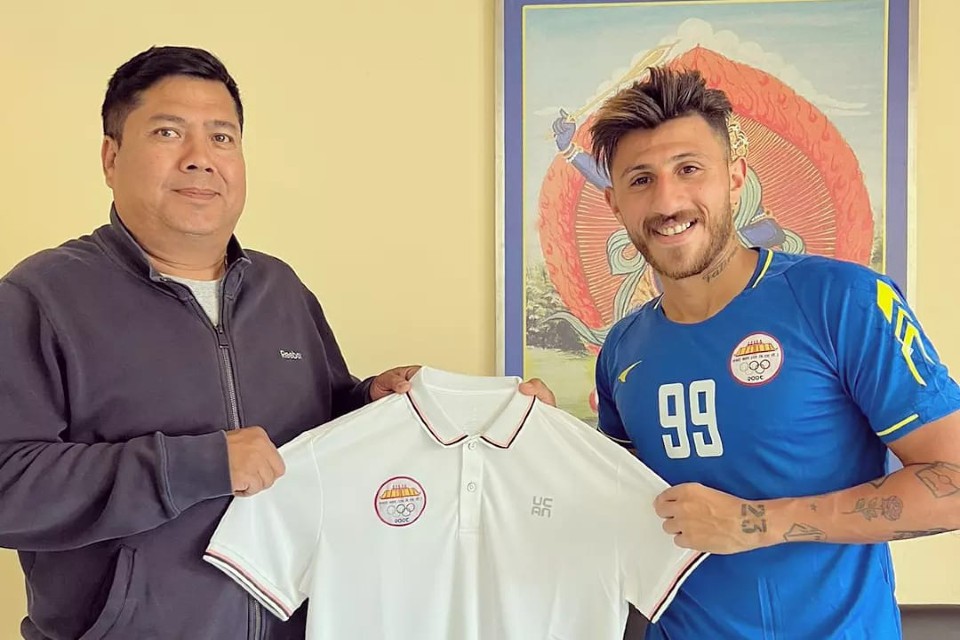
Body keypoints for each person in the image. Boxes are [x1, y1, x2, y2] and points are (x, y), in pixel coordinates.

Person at [0, 46, 552, 640]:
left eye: (222, 137)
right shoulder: (41, 296)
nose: (200, 158)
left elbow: (320, 427)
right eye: (168, 132)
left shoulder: (279, 289)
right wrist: (195, 466)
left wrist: (371, 399)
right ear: (111, 157)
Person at [585, 67, 960, 639]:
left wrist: (756, 522)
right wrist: (534, 426)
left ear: (735, 178)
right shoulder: (621, 349)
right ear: (615, 203)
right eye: (641, 180)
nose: (667, 201)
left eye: (689, 169)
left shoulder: (843, 301)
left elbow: (953, 481)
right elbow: (610, 499)